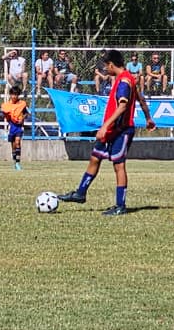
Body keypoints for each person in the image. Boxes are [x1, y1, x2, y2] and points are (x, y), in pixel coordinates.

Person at [58, 49, 153, 216]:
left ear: (111, 64)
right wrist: (148, 118)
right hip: (111, 129)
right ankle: (80, 193)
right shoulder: (128, 78)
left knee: (119, 165)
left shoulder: (124, 81)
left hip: (121, 130)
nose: (104, 69)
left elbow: (122, 106)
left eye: (105, 66)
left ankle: (120, 205)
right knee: (95, 158)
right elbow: (141, 98)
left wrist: (104, 126)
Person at [1, 85, 30, 171]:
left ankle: (18, 163)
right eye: (12, 94)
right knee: (13, 146)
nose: (14, 96)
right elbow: (5, 114)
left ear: (18, 95)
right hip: (12, 126)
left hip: (19, 127)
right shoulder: (7, 105)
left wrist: (22, 118)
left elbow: (26, 113)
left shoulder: (22, 104)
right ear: (10, 95)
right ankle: (15, 161)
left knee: (17, 142)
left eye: (16, 95)